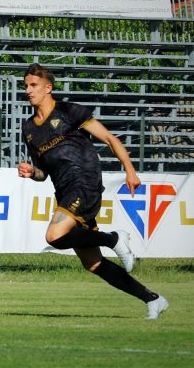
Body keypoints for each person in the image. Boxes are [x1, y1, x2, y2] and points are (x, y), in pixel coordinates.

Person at [18, 63, 169, 320]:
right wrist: (32, 172)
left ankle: (114, 238)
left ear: (48, 88)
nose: (28, 90)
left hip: (84, 181)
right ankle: (153, 299)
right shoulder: (29, 129)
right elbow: (43, 173)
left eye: (33, 85)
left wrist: (130, 171)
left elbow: (110, 139)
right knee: (93, 264)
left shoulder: (68, 111)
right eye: (26, 86)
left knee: (54, 236)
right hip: (63, 190)